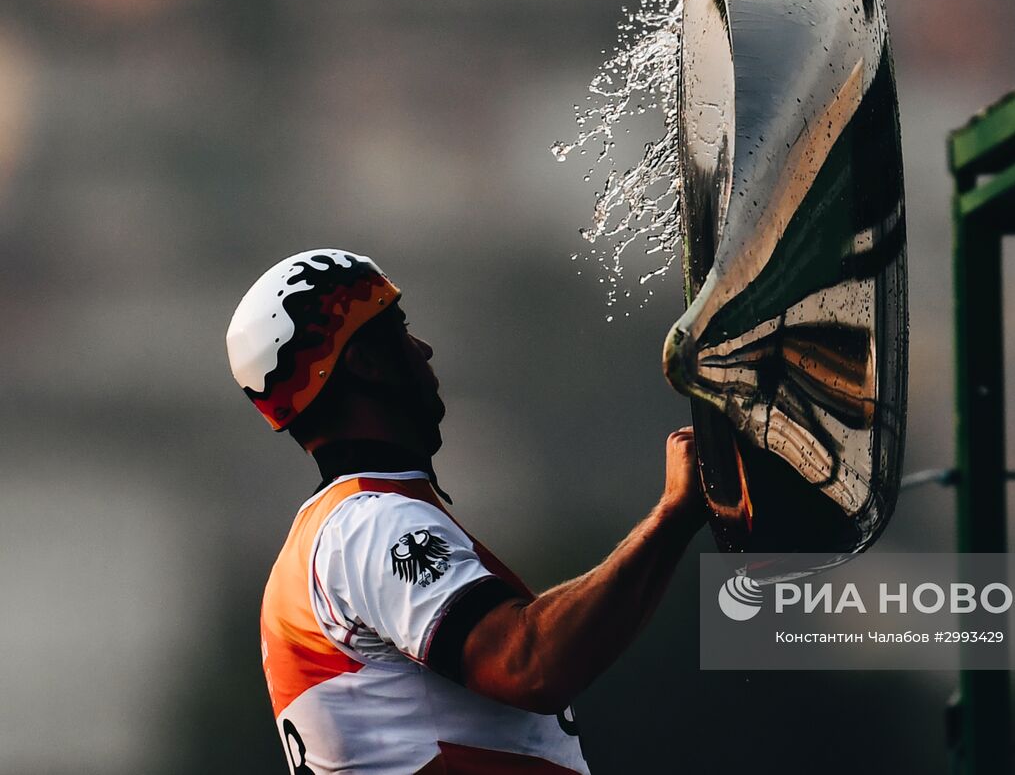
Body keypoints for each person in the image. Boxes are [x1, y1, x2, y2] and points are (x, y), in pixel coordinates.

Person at [226, 248, 705, 774]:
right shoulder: (371, 525)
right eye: (400, 330)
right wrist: (672, 516)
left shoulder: (328, 536)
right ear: (363, 362)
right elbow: (529, 663)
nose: (423, 349)